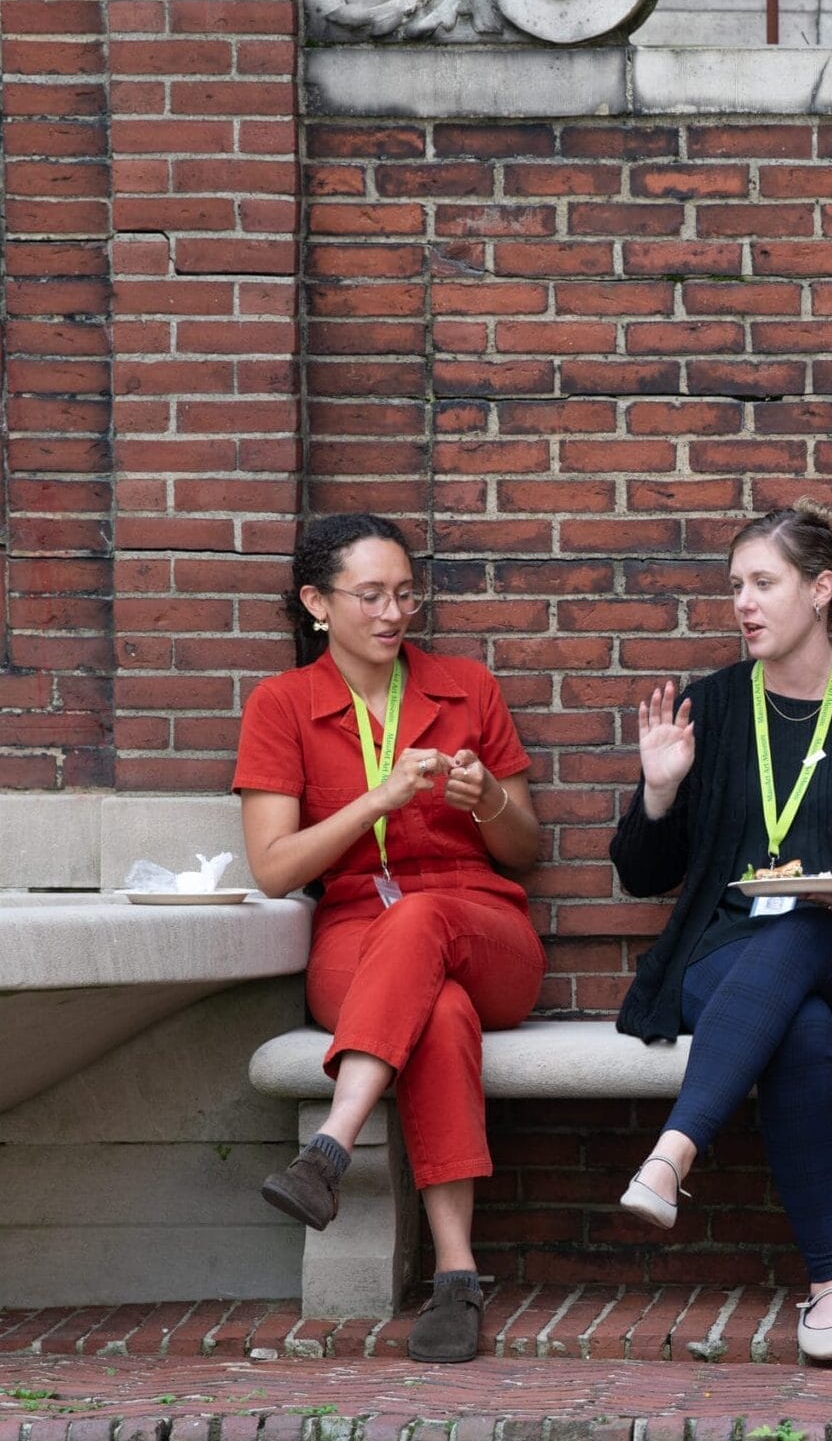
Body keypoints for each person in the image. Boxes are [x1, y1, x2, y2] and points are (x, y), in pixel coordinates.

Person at [609, 502, 832, 1365]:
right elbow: (642, 874)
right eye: (735, 585)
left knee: (806, 931)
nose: (743, 602)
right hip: (724, 955)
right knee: (796, 1022)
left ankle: (672, 1153)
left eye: (763, 583)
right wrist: (659, 791)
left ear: (821, 589)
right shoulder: (709, 707)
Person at [234, 513, 545, 1364]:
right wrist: (377, 800)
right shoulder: (282, 705)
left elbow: (527, 846)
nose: (393, 611)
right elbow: (272, 867)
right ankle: (455, 1277)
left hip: (485, 931)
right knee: (436, 1015)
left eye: (405, 592)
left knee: (426, 919)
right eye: (369, 594)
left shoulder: (464, 686)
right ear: (315, 603)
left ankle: (330, 1147)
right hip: (355, 938)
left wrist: (484, 802)